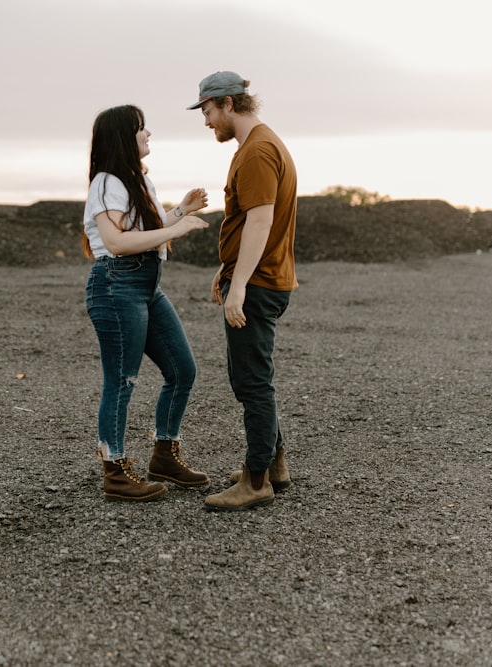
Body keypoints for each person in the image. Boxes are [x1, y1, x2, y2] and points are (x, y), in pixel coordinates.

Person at [83, 104, 212, 502]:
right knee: (122, 381)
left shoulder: (135, 180)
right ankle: (115, 471)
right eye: (141, 129)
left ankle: (164, 455)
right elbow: (118, 243)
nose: (148, 134)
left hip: (145, 285)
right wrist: (179, 228)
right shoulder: (107, 181)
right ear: (125, 136)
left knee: (182, 370)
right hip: (116, 286)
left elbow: (143, 230)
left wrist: (179, 212)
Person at [186, 71, 299, 511]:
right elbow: (253, 223)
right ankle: (273, 465)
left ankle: (256, 482)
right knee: (251, 378)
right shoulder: (263, 143)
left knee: (252, 382)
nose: (207, 121)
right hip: (256, 276)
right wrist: (228, 270)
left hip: (258, 283)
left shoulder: (256, 151)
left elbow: (260, 220)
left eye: (209, 111)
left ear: (228, 104)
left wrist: (239, 287)